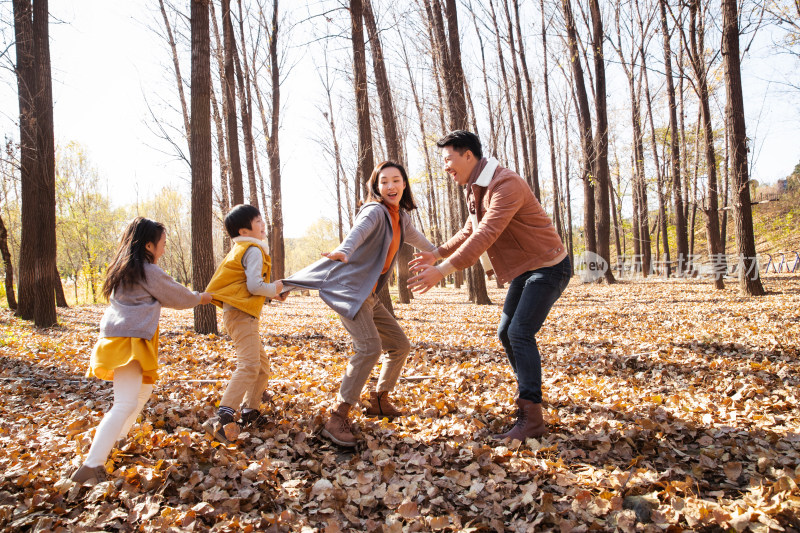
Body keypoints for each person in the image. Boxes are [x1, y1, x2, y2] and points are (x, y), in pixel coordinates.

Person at [408, 130, 570, 442]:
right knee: (506, 334)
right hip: (526, 270)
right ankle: (530, 399)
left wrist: (442, 270)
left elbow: (485, 235)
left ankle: (531, 418)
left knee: (520, 333)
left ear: (468, 155)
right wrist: (436, 253)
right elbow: (470, 228)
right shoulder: (475, 188)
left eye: (448, 160)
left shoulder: (505, 184)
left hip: (549, 266)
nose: (446, 167)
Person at [282, 161, 437, 447]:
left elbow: (421, 242)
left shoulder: (401, 217)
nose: (390, 186)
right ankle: (337, 417)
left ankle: (379, 399)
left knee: (399, 345)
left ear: (404, 184)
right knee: (369, 348)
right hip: (350, 292)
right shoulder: (375, 211)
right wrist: (344, 249)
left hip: (369, 295)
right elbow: (359, 231)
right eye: (384, 182)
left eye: (396, 180)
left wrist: (446, 254)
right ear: (376, 187)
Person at [71, 217, 212, 485]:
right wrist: (201, 297)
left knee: (142, 391)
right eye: (162, 244)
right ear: (149, 245)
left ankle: (118, 438)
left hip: (124, 340)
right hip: (129, 342)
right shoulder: (147, 270)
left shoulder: (126, 269)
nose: (164, 249)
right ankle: (91, 465)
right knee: (124, 402)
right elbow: (176, 295)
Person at [204, 204, 286, 443]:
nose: (262, 224)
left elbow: (249, 286)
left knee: (261, 366)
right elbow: (254, 286)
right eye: (258, 221)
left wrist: (272, 293)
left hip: (239, 314)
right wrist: (276, 288)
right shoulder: (253, 250)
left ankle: (251, 411)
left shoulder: (242, 248)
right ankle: (222, 418)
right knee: (250, 365)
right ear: (244, 230)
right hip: (241, 315)